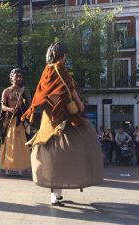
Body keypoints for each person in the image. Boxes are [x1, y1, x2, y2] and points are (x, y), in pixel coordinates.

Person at [21, 42, 103, 206]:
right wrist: (79, 105)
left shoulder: (46, 71)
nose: (66, 57)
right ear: (62, 54)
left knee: (52, 153)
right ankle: (59, 192)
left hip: (48, 118)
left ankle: (55, 194)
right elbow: (69, 91)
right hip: (63, 117)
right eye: (65, 54)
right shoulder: (60, 69)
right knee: (80, 143)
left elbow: (41, 94)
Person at [0, 68, 31, 174]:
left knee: (21, 143)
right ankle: (8, 167)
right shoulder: (6, 91)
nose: (19, 78)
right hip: (10, 119)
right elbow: (3, 106)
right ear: (12, 77)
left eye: (20, 76)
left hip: (20, 120)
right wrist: (10, 109)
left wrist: (24, 102)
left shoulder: (24, 91)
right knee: (9, 142)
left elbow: (29, 106)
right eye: (16, 76)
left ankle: (21, 167)